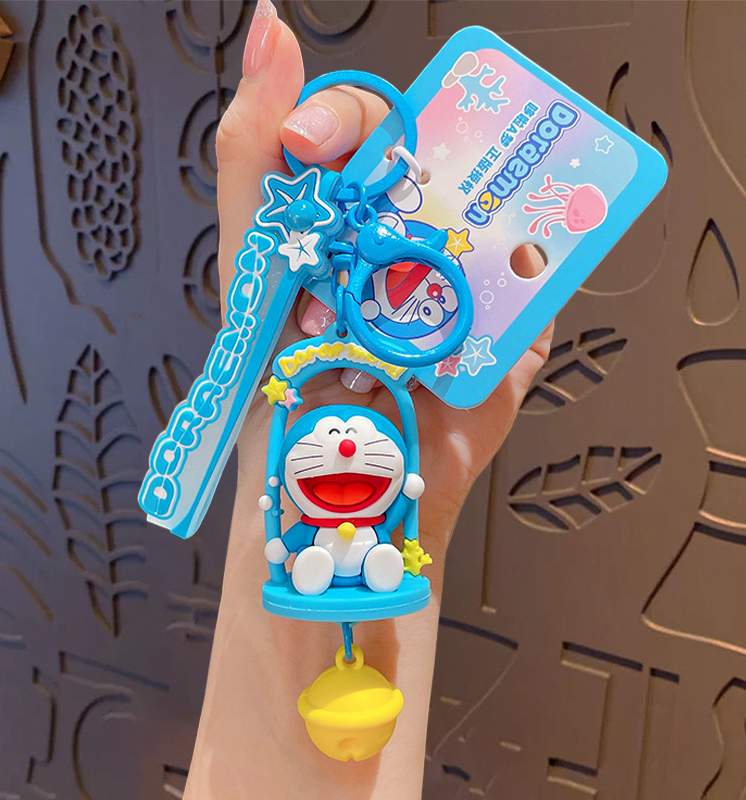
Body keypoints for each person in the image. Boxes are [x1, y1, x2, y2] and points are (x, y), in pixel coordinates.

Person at [183, 2, 552, 797]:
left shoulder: (393, 467)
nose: (348, 445)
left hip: (365, 550)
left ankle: (359, 565)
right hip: (320, 554)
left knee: (361, 555)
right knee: (330, 557)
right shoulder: (304, 461)